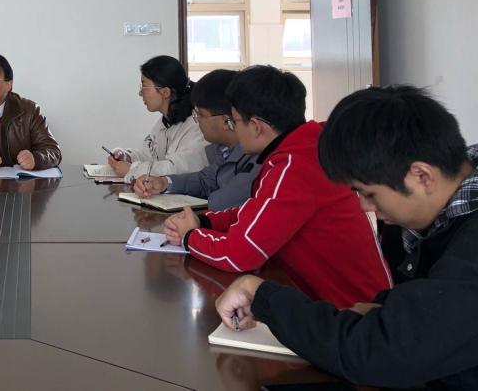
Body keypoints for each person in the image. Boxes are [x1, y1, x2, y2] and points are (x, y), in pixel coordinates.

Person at [215, 86, 478, 390]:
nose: (364, 206)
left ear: (422, 176)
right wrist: (379, 310)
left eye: (369, 193)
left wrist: (262, 296)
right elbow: (419, 315)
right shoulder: (445, 202)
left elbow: (384, 352)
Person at [163, 65, 391, 308]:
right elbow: (258, 210)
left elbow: (239, 255)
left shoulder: (296, 166)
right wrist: (205, 222)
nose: (234, 129)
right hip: (328, 304)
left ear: (256, 126)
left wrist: (189, 236)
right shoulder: (300, 149)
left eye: (235, 121)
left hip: (353, 313)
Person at [132, 69, 259, 210]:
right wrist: (164, 182)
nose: (196, 120)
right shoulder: (223, 149)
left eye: (201, 115)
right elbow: (206, 180)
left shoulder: (254, 156)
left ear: (226, 121)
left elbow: (224, 201)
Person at [108, 55, 207, 182]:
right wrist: (127, 156)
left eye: (144, 87)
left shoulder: (196, 124)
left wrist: (132, 169)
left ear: (165, 92)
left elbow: (176, 169)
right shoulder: (165, 121)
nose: (140, 93)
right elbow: (150, 156)